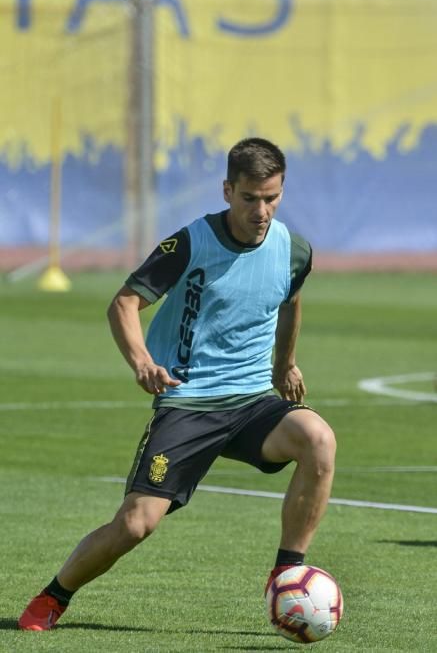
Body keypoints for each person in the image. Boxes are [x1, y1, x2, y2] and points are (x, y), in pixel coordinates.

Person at [18, 137, 336, 631]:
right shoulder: (188, 243)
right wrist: (142, 362)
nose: (261, 210)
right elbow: (122, 304)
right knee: (136, 524)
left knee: (318, 439)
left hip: (253, 403)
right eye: (250, 198)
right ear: (228, 190)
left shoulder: (293, 249)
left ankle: (286, 574)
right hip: (188, 405)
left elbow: (291, 300)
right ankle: (53, 596)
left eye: (271, 197)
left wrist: (284, 364)